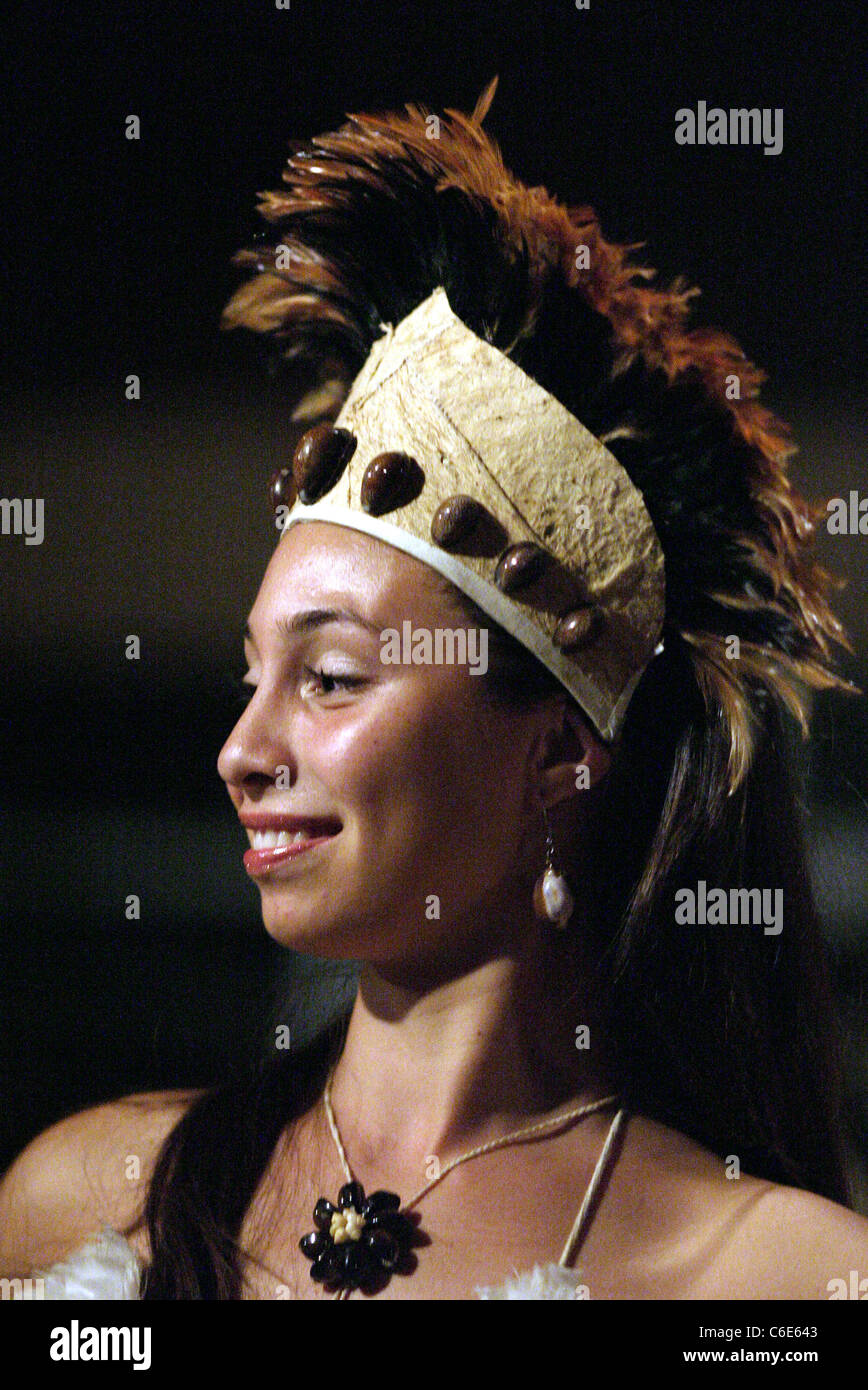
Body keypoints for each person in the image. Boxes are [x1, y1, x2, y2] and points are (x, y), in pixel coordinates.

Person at [2, 77, 868, 1301]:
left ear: (558, 753)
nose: (241, 751)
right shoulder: (87, 1199)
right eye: (255, 677)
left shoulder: (774, 1279)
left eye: (333, 677)